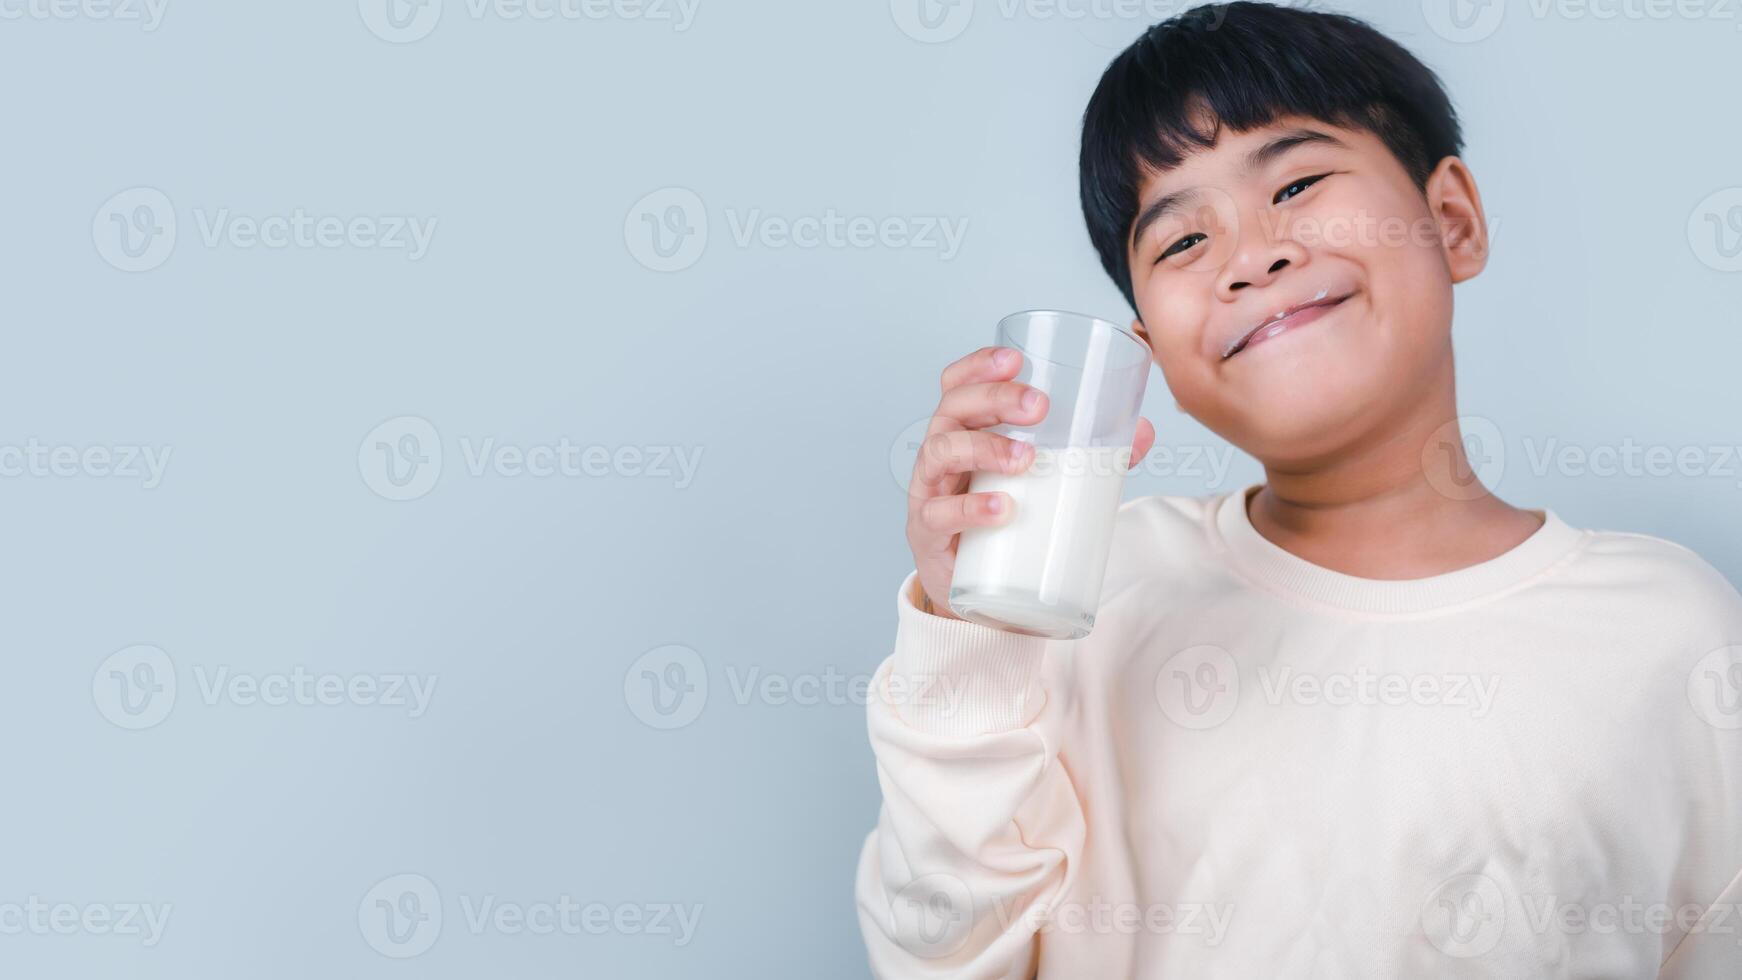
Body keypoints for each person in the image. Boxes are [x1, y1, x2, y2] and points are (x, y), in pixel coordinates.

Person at [854, 3, 1742, 977]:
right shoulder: (1085, 601)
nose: (1248, 257)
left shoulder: (1667, 635)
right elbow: (944, 956)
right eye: (1181, 243)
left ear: (1450, 220)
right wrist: (967, 631)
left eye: (1300, 182)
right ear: (1145, 353)